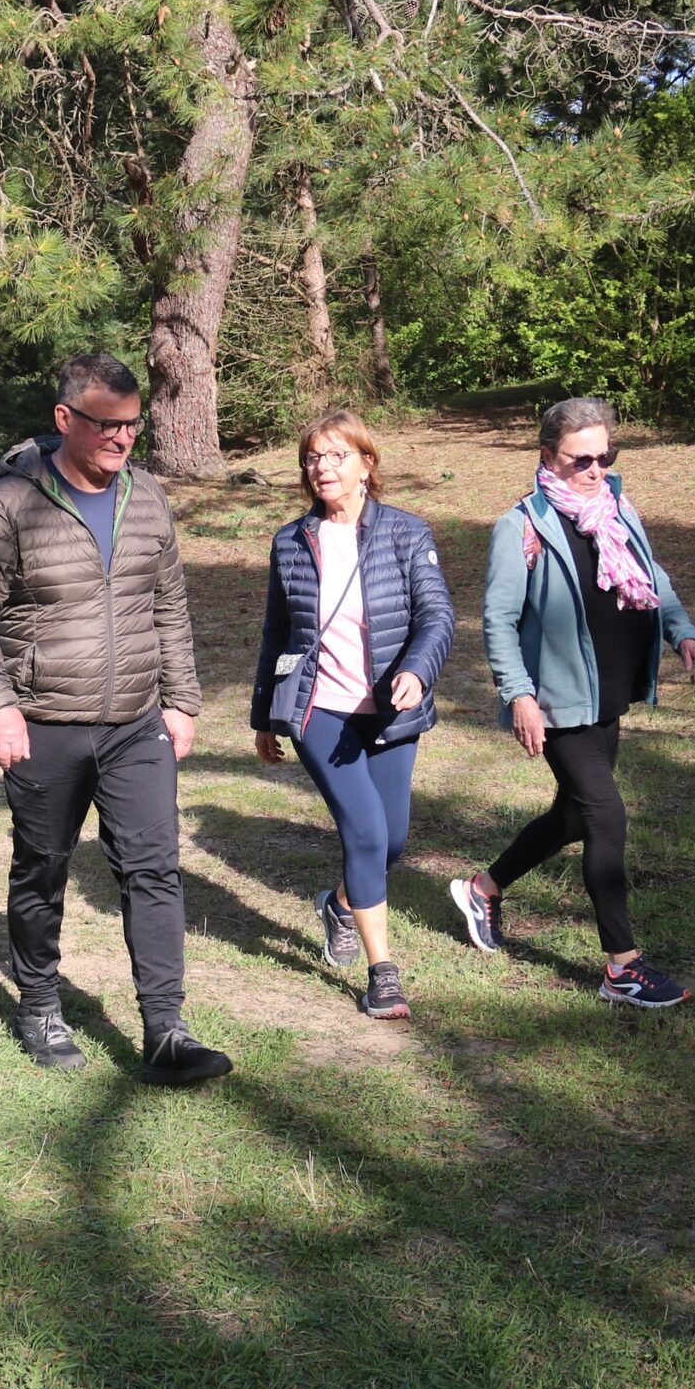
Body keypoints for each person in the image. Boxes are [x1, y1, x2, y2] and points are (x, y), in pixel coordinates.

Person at [0, 352, 230, 1086]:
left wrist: (181, 699)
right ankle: (40, 1003)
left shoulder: (149, 496)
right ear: (64, 418)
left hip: (136, 722)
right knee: (43, 867)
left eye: (133, 425)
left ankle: (166, 1031)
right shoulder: (10, 504)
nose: (122, 438)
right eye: (107, 425)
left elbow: (168, 602)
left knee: (154, 869)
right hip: (45, 724)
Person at [450, 397, 695, 1008]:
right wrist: (519, 695)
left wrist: (683, 632)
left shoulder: (618, 506)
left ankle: (482, 888)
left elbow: (654, 577)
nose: (595, 470)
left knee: (574, 816)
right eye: (581, 460)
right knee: (606, 816)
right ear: (548, 456)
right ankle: (623, 967)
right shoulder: (521, 526)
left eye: (605, 456)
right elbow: (498, 619)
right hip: (557, 698)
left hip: (609, 690)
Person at [249, 412, 455, 1022]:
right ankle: (382, 973)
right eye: (313, 457)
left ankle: (339, 904)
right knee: (364, 833)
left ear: (367, 464)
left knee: (392, 840)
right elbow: (277, 632)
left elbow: (437, 616)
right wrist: (265, 715)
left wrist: (416, 671)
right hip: (320, 709)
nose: (323, 467)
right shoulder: (291, 541)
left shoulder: (407, 533)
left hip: (390, 710)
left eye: (336, 455)